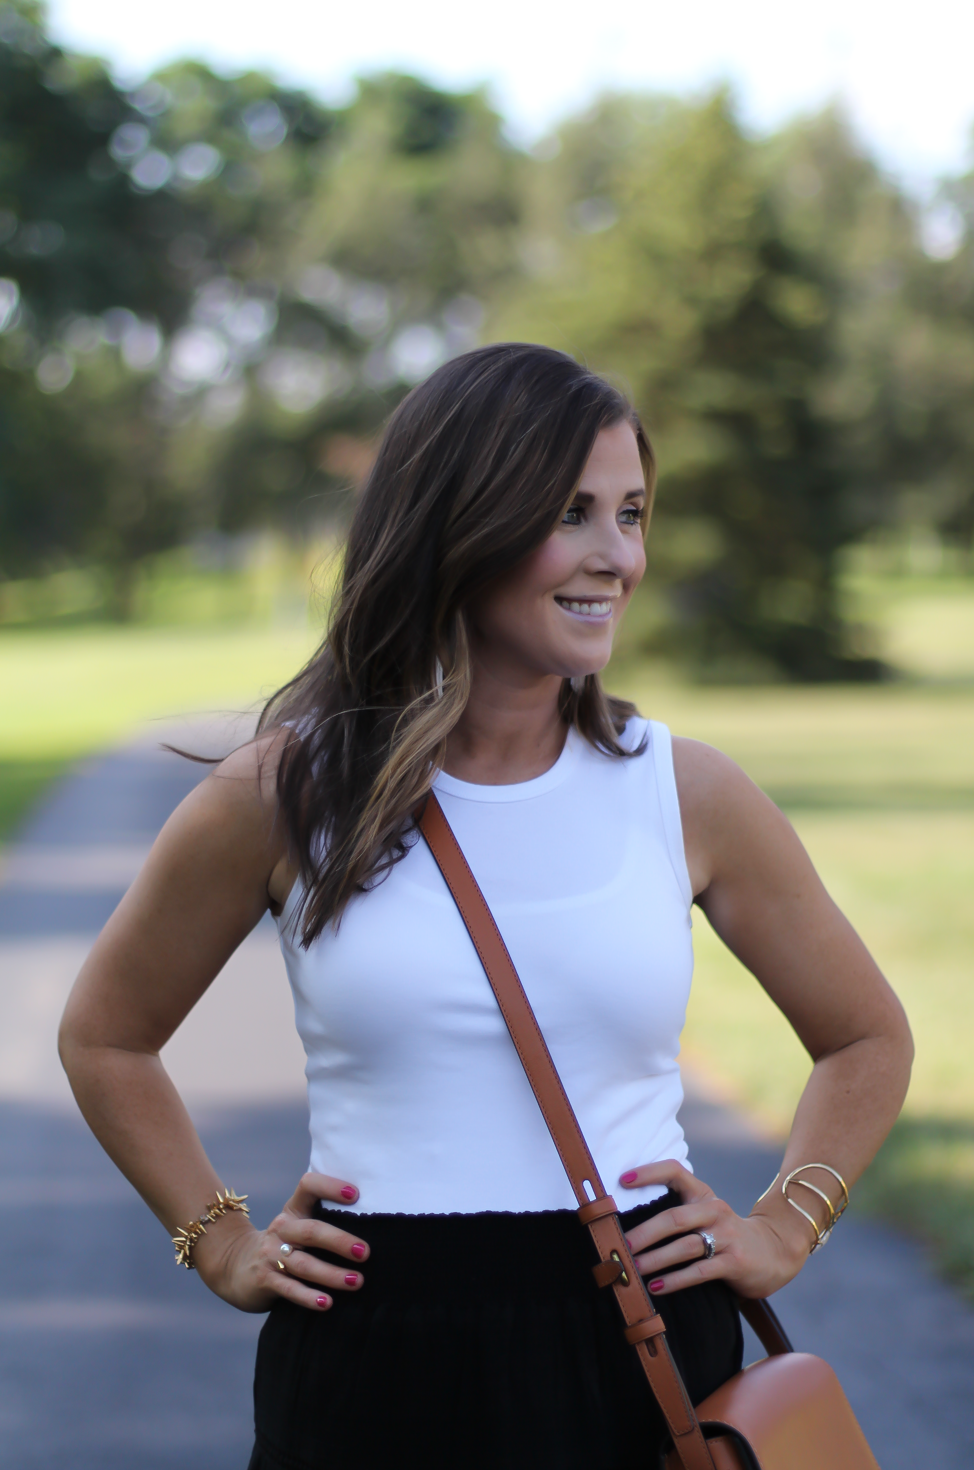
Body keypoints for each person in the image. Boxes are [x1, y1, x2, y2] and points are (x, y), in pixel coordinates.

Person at [59, 343, 912, 1469]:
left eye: (632, 513)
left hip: (639, 1337)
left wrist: (784, 1224)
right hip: (372, 1352)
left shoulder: (684, 791)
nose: (617, 556)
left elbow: (863, 1035)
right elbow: (106, 1036)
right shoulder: (280, 796)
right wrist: (215, 1239)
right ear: (457, 524)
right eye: (573, 513)